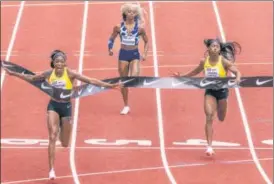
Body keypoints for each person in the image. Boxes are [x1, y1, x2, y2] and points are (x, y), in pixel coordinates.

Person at [2, 50, 123, 180]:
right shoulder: (49, 73)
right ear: (53, 63)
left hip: (66, 108)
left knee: (65, 143)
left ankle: (61, 127)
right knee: (52, 136)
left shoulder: (70, 74)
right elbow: (31, 78)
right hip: (53, 106)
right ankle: (51, 170)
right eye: (57, 61)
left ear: (65, 63)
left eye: (61, 61)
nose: (59, 63)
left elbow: (90, 80)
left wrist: (110, 86)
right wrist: (14, 73)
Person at [172, 38, 242, 156]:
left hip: (222, 92)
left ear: (219, 50)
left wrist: (238, 78)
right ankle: (209, 147)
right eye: (213, 46)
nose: (215, 48)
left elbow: (237, 72)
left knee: (221, 117)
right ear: (208, 49)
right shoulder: (204, 62)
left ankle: (223, 107)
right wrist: (181, 76)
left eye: (217, 46)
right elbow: (194, 72)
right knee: (209, 116)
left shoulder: (223, 61)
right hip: (210, 91)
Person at [108, 3, 149, 115]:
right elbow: (111, 39)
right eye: (129, 11)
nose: (131, 14)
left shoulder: (140, 29)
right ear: (125, 13)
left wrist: (145, 54)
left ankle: (129, 85)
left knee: (134, 77)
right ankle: (126, 105)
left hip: (135, 54)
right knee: (123, 81)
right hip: (123, 55)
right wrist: (110, 49)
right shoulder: (118, 27)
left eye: (134, 12)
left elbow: (147, 41)